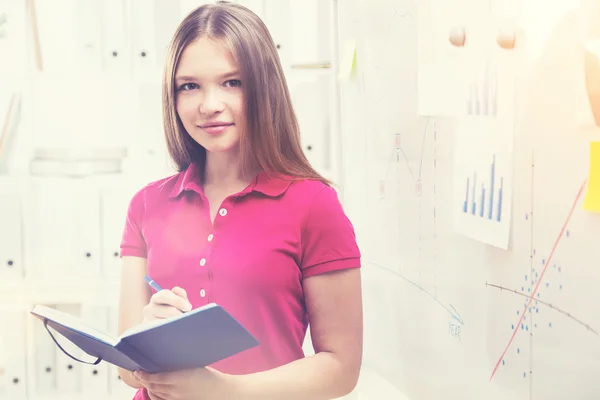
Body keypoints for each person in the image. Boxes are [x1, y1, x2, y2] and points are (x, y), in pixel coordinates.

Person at [117, 2, 363, 399]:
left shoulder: (314, 204)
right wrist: (150, 337)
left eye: (232, 82)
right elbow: (127, 370)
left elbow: (341, 367)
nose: (209, 105)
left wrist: (222, 389)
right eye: (189, 86)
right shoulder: (147, 204)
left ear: (263, 88)